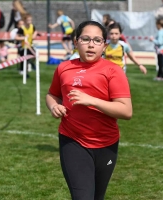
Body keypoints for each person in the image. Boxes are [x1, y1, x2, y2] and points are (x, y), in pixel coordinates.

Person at [46, 20, 132, 200]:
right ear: (76, 42)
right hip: (73, 141)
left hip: (106, 144)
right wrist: (54, 106)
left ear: (104, 46)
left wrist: (92, 101)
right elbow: (52, 94)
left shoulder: (113, 71)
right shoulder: (63, 68)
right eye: (85, 39)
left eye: (97, 40)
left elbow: (126, 111)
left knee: (97, 197)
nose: (91, 44)